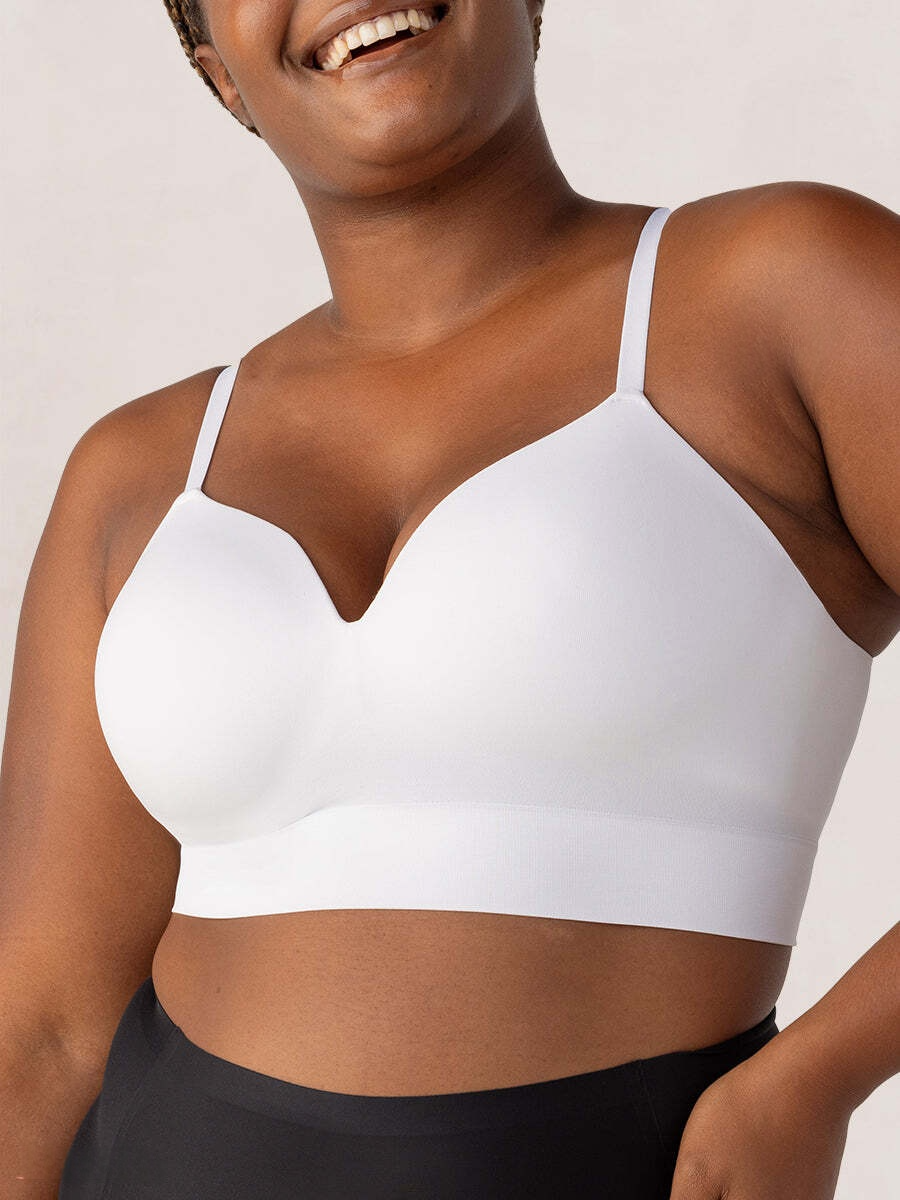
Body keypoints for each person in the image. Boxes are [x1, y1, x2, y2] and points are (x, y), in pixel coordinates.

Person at [2, 2, 898, 1196]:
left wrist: (814, 1079)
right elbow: (43, 1032)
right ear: (221, 77)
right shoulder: (138, 472)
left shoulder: (781, 289)